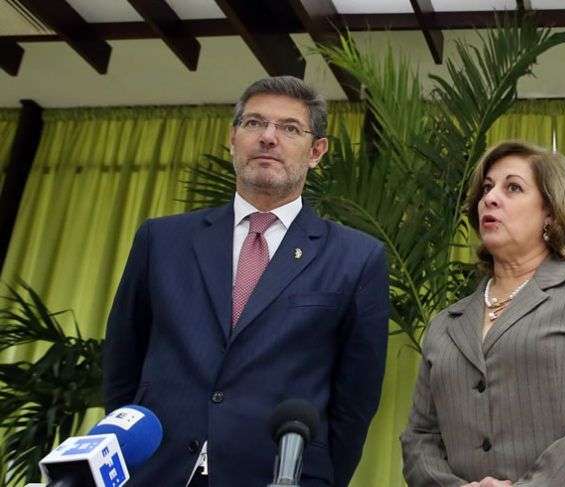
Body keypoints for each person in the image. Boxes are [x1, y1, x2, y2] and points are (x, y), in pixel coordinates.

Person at [102, 76, 390, 487]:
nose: (269, 138)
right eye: (255, 123)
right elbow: (122, 364)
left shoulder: (357, 258)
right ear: (233, 138)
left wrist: (321, 478)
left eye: (290, 128)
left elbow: (355, 400)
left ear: (317, 151)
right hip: (155, 472)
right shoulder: (162, 240)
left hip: (278, 475)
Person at [400, 141, 565, 486]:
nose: (490, 198)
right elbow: (419, 437)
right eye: (487, 188)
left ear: (550, 211)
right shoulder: (446, 324)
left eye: (513, 187)